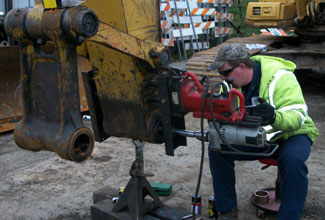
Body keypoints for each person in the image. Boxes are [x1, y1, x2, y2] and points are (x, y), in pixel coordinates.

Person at [207, 44, 319, 220]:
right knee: (217, 149)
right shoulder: (228, 85)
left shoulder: (281, 77)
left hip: (292, 134)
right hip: (259, 135)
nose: (222, 78)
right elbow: (222, 110)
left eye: (225, 73)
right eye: (221, 74)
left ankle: (289, 216)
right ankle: (227, 210)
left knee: (292, 161)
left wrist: (274, 116)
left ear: (242, 67)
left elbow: (298, 116)